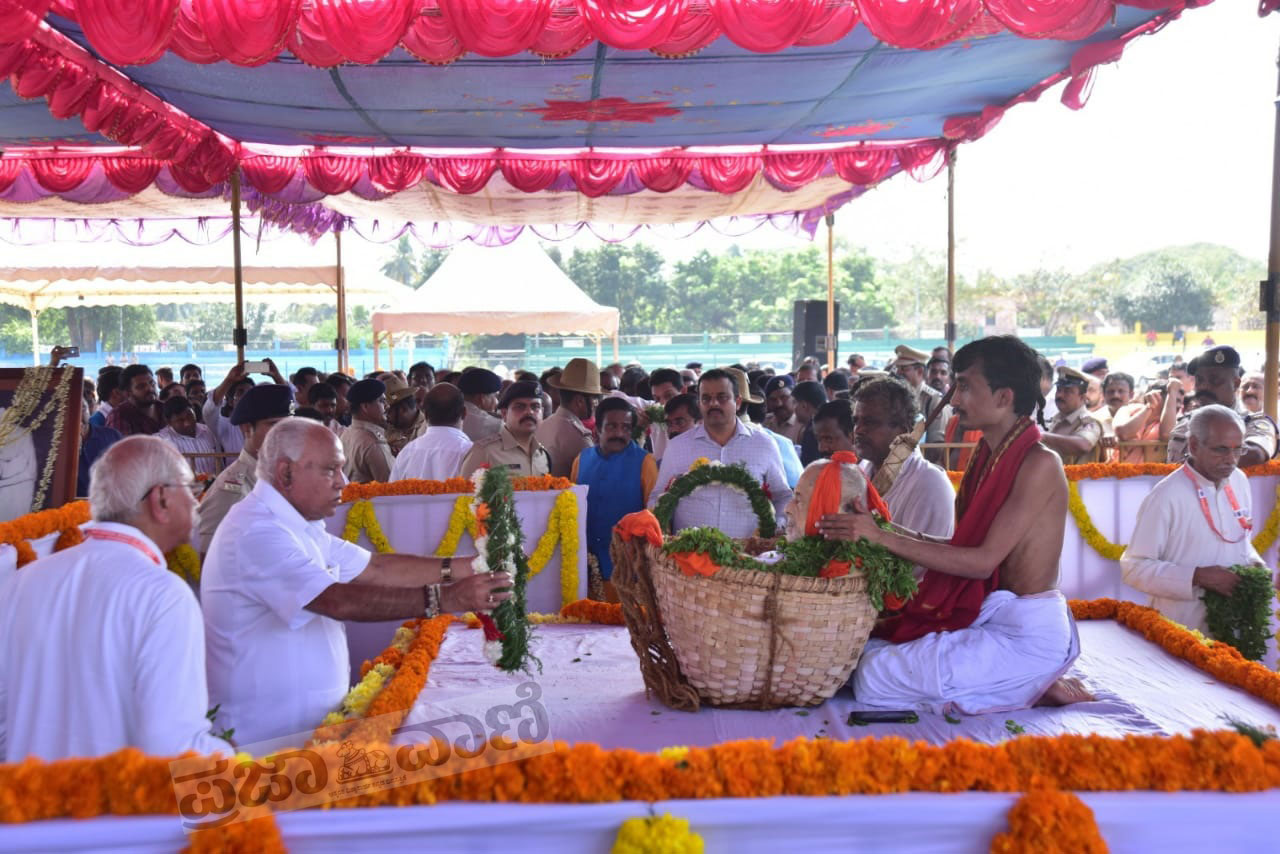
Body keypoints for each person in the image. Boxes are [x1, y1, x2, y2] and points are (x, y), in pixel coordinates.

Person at [819, 335, 1085, 714]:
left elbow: (980, 562)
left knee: (872, 674)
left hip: (1025, 633)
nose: (954, 399)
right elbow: (956, 546)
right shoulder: (988, 454)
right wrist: (881, 529)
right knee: (863, 649)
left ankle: (1029, 680)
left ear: (1003, 397)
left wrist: (880, 536)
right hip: (991, 615)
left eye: (964, 386)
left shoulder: (1039, 463)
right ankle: (1018, 683)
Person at [202, 419, 510, 745]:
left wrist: (472, 566)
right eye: (330, 470)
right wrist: (448, 599)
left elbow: (375, 568)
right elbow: (337, 601)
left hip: (300, 732)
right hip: (263, 739)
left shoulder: (294, 524)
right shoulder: (257, 531)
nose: (343, 482)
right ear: (285, 473)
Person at [0, 437, 226, 761]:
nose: (195, 501)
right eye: (189, 488)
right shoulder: (163, 595)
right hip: (116, 808)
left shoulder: (23, 581)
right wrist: (241, 767)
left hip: (27, 803)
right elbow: (174, 747)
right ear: (160, 499)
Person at [1121, 405, 1268, 632]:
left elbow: (1240, 541)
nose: (1231, 460)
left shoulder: (1238, 480)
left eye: (1238, 450)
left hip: (1233, 623)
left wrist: (1256, 565)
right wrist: (1197, 577)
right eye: (1221, 450)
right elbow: (1134, 569)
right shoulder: (1166, 495)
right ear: (1194, 446)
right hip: (1180, 628)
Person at [649, 369, 793, 538]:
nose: (714, 404)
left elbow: (782, 495)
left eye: (722, 397)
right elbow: (657, 497)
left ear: (738, 402)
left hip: (749, 555)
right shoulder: (677, 447)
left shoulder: (764, 444)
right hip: (689, 557)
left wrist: (778, 525)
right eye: (706, 398)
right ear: (700, 403)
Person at [572, 397, 658, 601]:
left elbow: (655, 519)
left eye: (626, 428)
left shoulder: (645, 462)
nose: (619, 434)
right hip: (587, 571)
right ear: (597, 430)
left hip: (629, 573)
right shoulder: (582, 460)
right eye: (611, 426)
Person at [850, 377, 955, 543]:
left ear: (903, 430)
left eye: (870, 422)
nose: (858, 430)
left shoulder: (930, 484)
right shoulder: (861, 470)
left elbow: (919, 565)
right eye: (856, 421)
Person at [194, 384, 293, 554]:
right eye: (274, 425)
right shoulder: (232, 490)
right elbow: (205, 551)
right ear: (247, 428)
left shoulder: (277, 476)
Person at [1166, 347, 1277, 466]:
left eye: (1215, 380)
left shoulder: (1254, 423)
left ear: (1235, 384)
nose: (1204, 387)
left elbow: (1255, 455)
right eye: (1199, 380)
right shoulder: (1184, 424)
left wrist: (1195, 463)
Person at [460, 381, 552, 478]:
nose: (529, 412)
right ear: (504, 414)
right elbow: (464, 492)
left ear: (542, 412)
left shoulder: (543, 454)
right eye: (520, 407)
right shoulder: (484, 452)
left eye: (535, 407)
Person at [392, 383, 474, 481]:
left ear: (425, 415)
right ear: (464, 413)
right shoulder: (470, 452)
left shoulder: (406, 452)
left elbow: (392, 493)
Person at [538, 358, 600, 477]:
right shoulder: (578, 436)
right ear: (580, 401)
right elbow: (596, 475)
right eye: (594, 399)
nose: (595, 404)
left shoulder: (544, 425)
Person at [1042, 367, 1103, 465]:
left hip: (1075, 479)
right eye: (1059, 390)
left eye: (1067, 391)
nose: (1060, 395)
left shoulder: (1089, 422)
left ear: (1082, 397)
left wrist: (1043, 436)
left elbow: (1083, 445)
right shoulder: (1056, 419)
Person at [341, 378, 396, 483]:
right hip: (369, 499)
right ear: (365, 407)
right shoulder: (373, 442)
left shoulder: (346, 434)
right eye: (381, 401)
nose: (387, 406)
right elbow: (391, 486)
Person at [204, 363, 263, 455]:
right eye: (240, 392)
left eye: (250, 392)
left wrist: (277, 376)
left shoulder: (265, 425)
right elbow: (209, 411)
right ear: (231, 401)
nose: (246, 396)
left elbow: (291, 410)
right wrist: (229, 380)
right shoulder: (225, 426)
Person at [893, 345, 946, 447]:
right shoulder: (896, 397)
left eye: (904, 368)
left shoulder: (933, 399)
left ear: (920, 371)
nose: (898, 373)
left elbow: (936, 445)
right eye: (898, 368)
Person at [157, 397, 222, 476]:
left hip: (215, 485)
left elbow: (219, 463)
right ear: (169, 422)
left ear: (193, 411)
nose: (187, 423)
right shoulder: (162, 442)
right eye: (180, 420)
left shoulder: (207, 430)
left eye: (190, 416)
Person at [77, 396, 122, 496]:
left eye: (83, 407)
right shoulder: (58, 445)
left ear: (90, 410)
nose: (78, 413)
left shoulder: (111, 435)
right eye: (73, 409)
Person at [106, 364, 163, 436]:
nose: (150, 389)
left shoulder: (165, 408)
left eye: (152, 383)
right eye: (141, 386)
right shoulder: (119, 416)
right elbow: (124, 446)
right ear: (127, 393)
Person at [384, 376, 427, 456]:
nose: (385, 417)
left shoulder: (427, 429)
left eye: (388, 412)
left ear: (403, 409)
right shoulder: (385, 429)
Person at [458, 368, 503, 442]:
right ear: (482, 399)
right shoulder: (495, 424)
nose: (496, 401)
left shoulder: (446, 415)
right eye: (495, 396)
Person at [793, 380, 828, 466]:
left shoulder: (813, 431)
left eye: (794, 403)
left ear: (804, 405)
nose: (793, 408)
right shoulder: (829, 423)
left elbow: (809, 466)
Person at [762, 375, 803, 444]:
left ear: (795, 398)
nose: (779, 404)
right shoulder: (764, 423)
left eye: (784, 397)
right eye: (773, 399)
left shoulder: (802, 426)